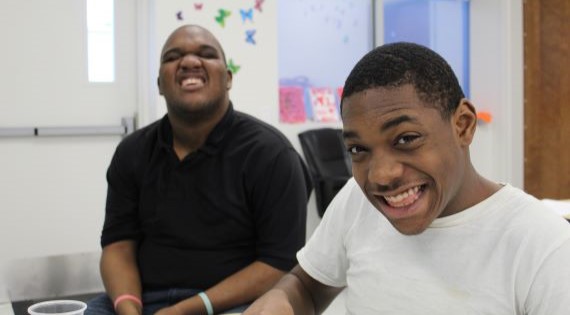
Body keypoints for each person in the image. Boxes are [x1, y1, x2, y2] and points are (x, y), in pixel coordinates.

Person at [243, 42, 570, 315]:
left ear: (463, 125)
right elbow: (308, 285)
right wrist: (282, 296)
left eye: (406, 139)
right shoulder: (357, 201)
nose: (381, 175)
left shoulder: (544, 246)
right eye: (358, 149)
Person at [86, 24, 312, 315]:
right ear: (159, 83)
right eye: (173, 57)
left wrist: (186, 310)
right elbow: (118, 245)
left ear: (228, 78)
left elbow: (279, 264)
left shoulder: (271, 154)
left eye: (206, 54)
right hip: (144, 298)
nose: (190, 62)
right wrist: (129, 308)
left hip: (234, 303)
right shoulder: (132, 152)